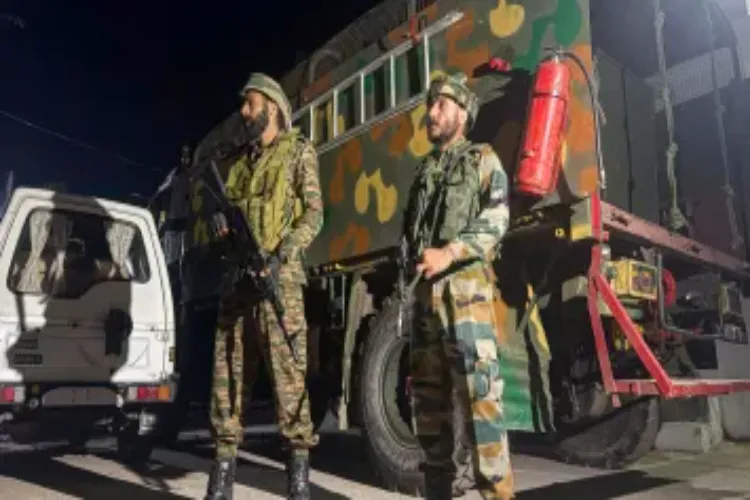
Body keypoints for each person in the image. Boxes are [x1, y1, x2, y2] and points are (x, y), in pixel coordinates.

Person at [204, 73, 323, 500]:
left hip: (279, 281)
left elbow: (313, 215)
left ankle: (298, 484)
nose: (244, 111)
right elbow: (226, 216)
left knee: (289, 379)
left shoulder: (298, 152)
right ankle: (221, 481)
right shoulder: (239, 164)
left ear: (271, 107)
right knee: (228, 379)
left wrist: (281, 254)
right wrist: (220, 227)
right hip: (238, 282)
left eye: (250, 104)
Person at [401, 73, 514, 500]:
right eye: (430, 105)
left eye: (441, 105)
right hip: (425, 306)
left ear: (462, 114)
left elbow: (498, 218)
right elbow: (409, 237)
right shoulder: (423, 172)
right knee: (429, 414)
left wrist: (450, 253)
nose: (431, 113)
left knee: (481, 410)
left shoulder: (483, 159)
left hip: (467, 302)